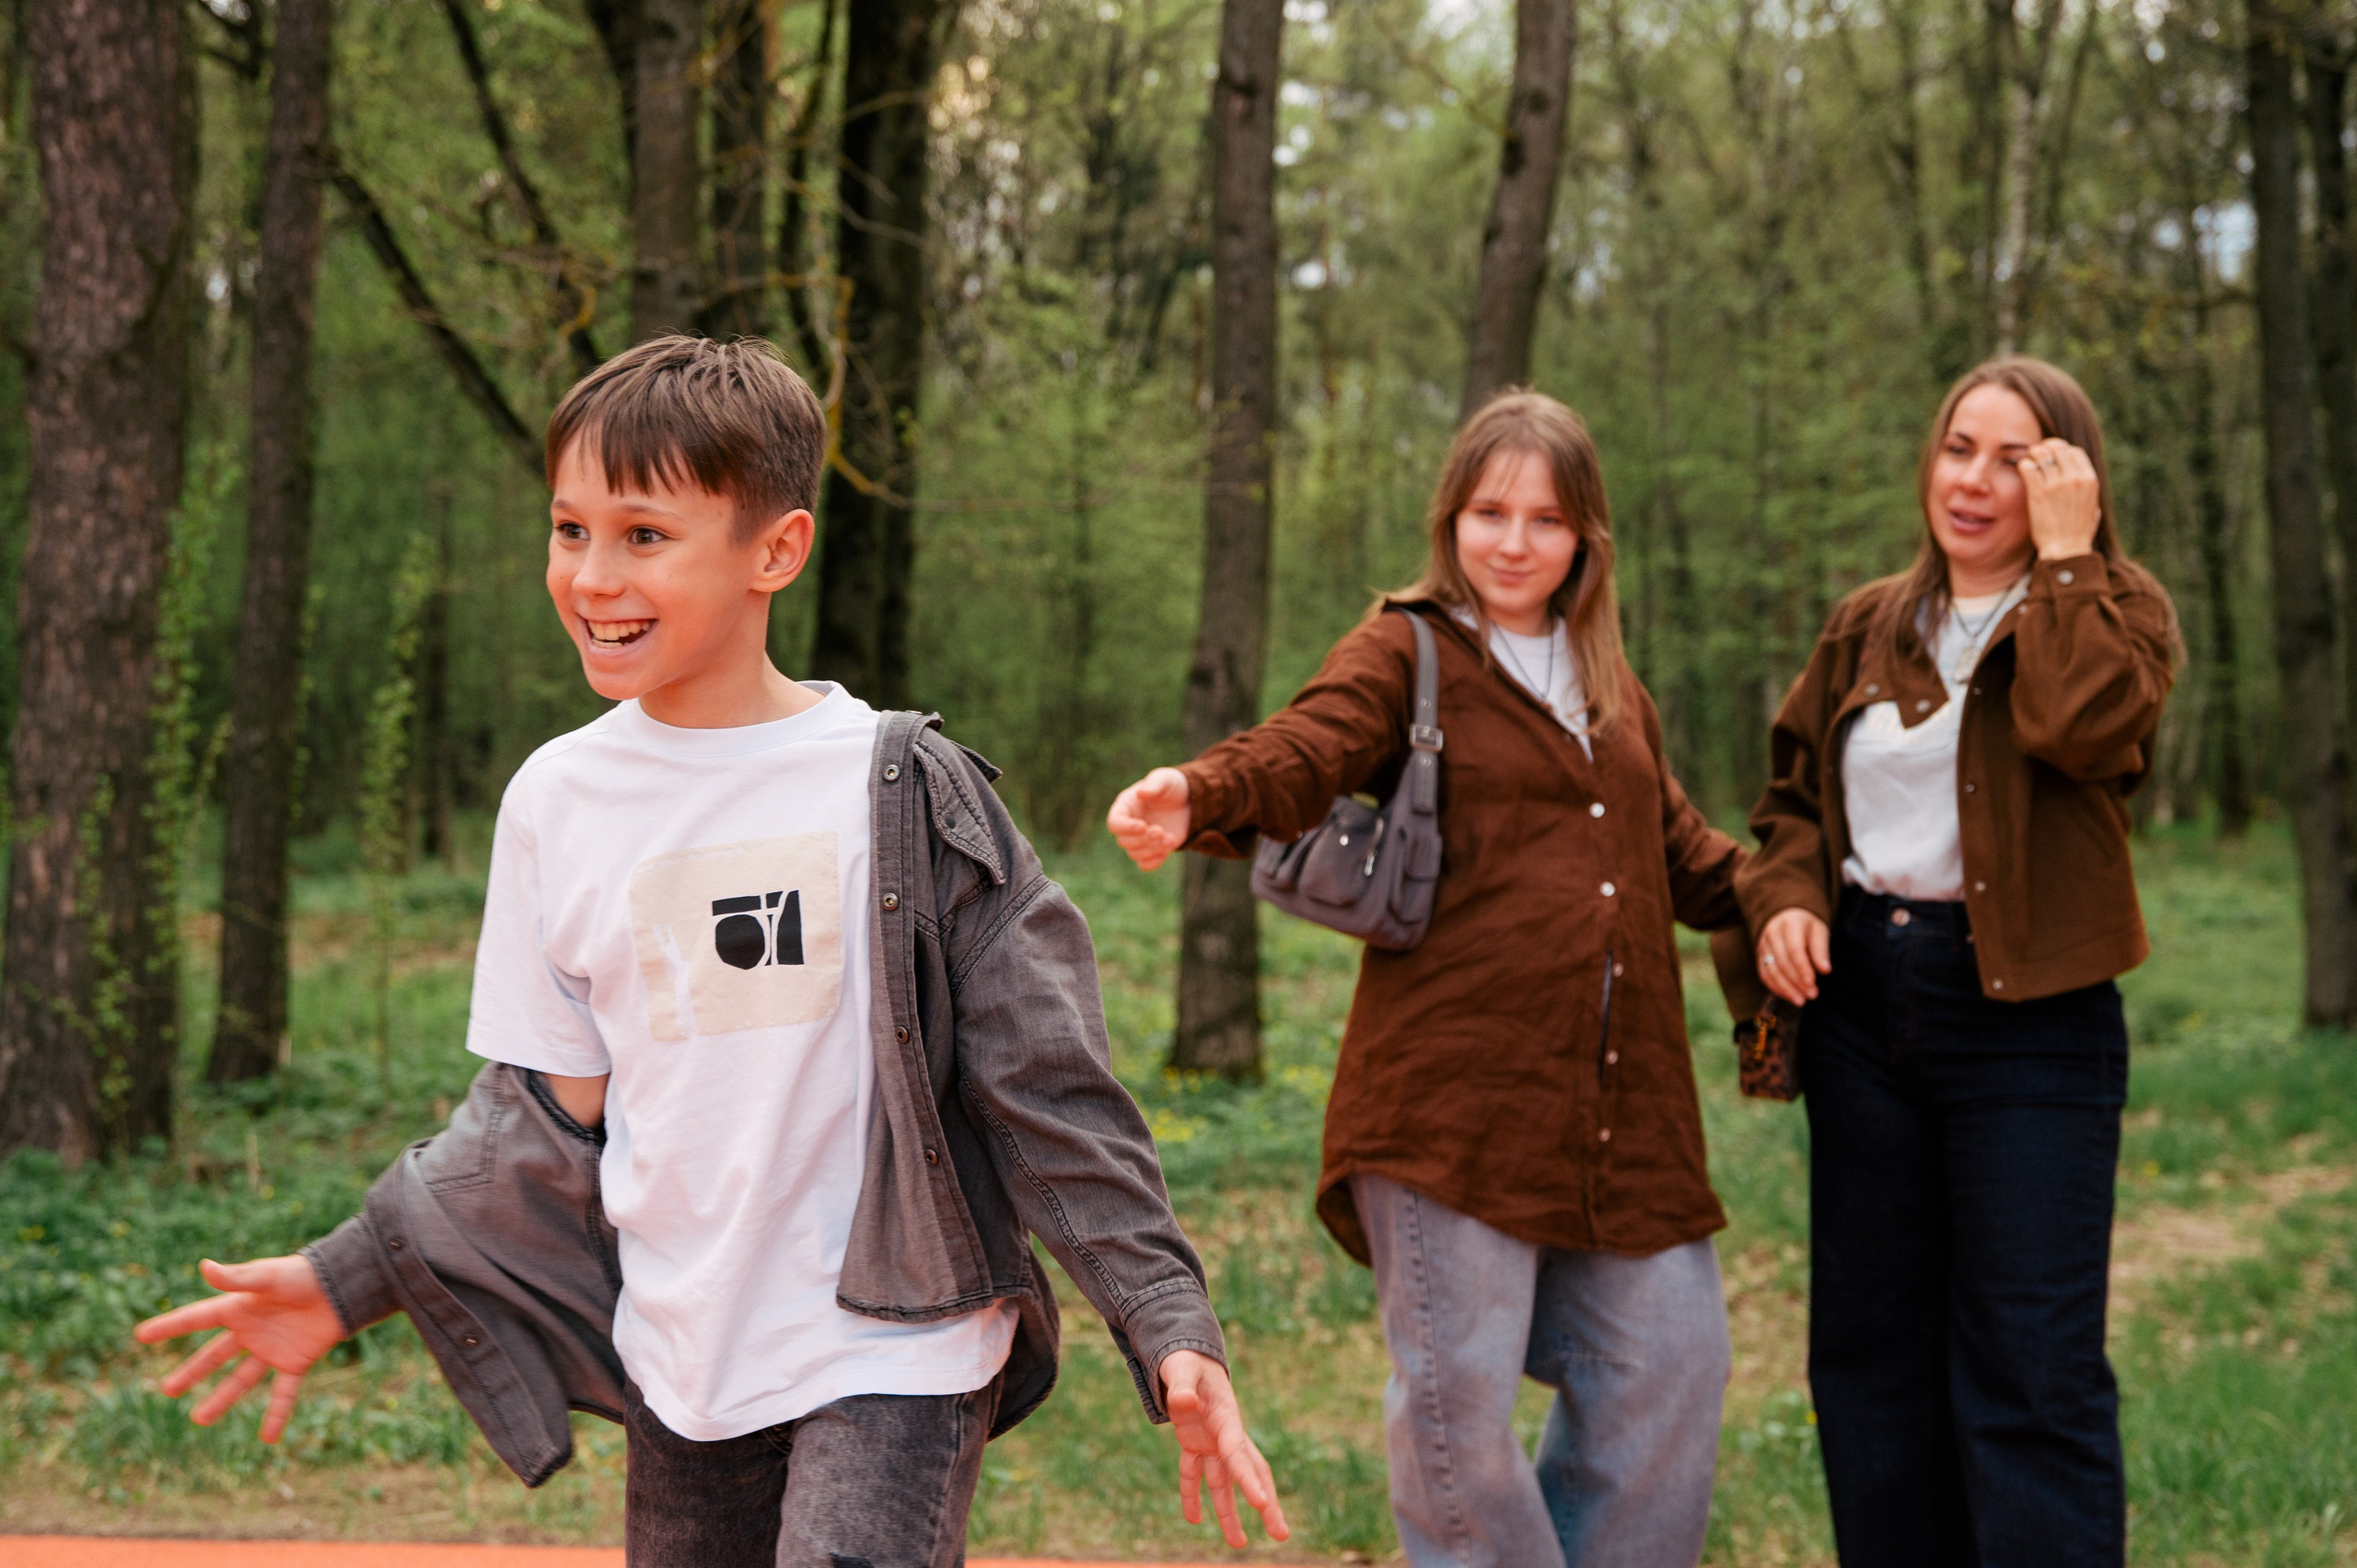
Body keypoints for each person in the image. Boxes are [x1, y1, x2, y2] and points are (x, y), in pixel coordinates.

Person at [135, 335, 1287, 1567]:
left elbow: (1045, 1080)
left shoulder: (903, 788)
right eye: (568, 528)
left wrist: (1167, 1316)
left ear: (774, 551)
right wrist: (349, 1273)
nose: (591, 573)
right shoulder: (554, 801)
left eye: (643, 534)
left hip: (896, 1339)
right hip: (682, 1353)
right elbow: (541, 1114)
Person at [1109, 390, 1746, 1568]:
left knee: (1670, 1364)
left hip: (1627, 1112)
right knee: (1457, 1410)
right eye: (1489, 511)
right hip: (1449, 1104)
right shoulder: (1410, 648)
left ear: (1586, 537)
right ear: (1450, 517)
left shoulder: (1612, 687)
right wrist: (1199, 791)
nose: (1513, 541)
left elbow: (1688, 858)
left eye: (1545, 518)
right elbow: (1310, 745)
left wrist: (1807, 900)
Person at [1739, 356, 2177, 1567]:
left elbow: (2081, 729)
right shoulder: (1869, 623)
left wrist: (2069, 557)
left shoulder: (2116, 610)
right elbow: (1790, 806)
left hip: (2032, 1019)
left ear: (2067, 477)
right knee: (1871, 1358)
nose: (1975, 481)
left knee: (2030, 1363)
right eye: (1958, 448)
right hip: (1863, 1009)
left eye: (2016, 458)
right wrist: (1783, 901)